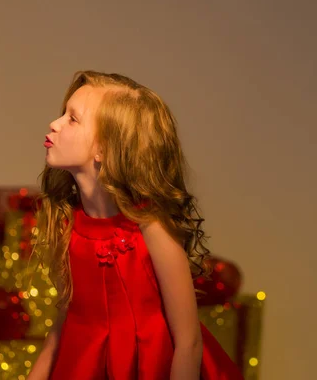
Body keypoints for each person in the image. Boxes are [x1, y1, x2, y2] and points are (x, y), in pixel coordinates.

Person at [27, 71, 244, 380]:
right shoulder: (68, 226)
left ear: (105, 149)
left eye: (73, 119)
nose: (55, 123)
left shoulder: (150, 227)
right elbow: (62, 327)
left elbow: (188, 343)